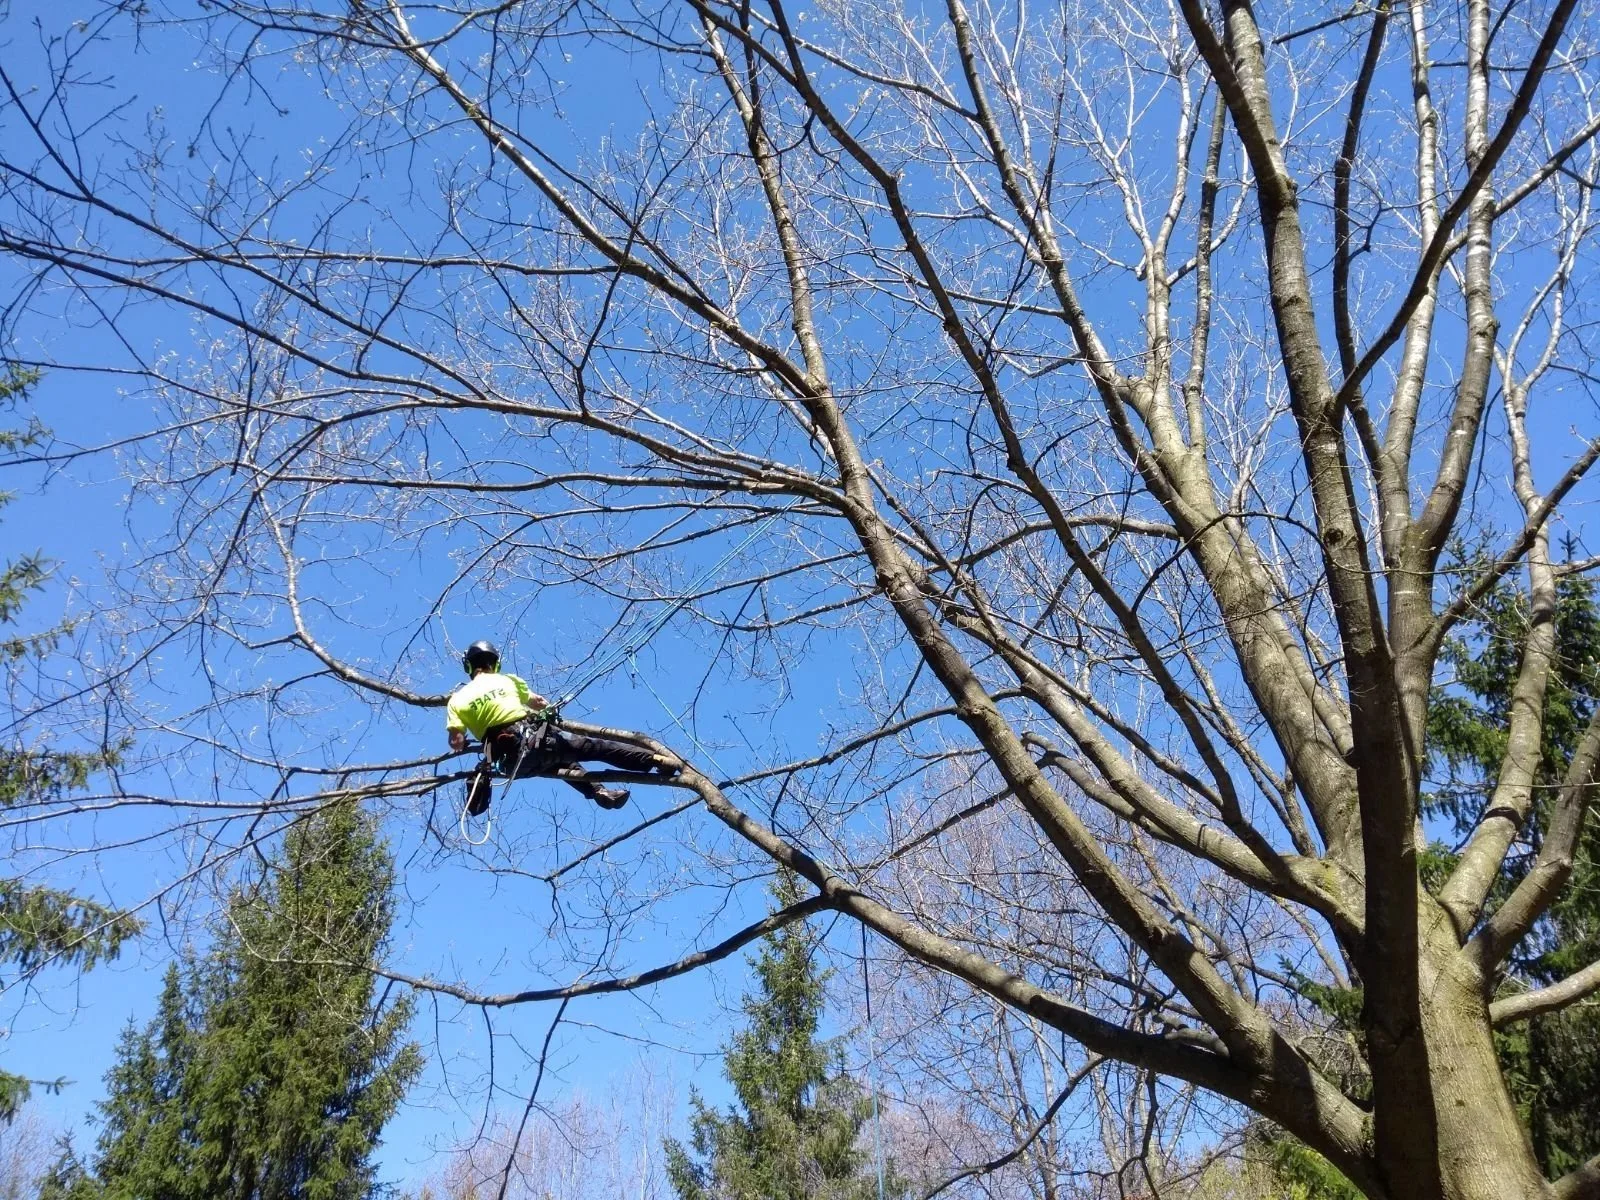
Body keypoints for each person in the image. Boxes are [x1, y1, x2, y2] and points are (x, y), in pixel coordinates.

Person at [447, 640, 681, 816]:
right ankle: (655, 761)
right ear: (494, 663)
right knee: (597, 747)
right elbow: (539, 702)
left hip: (511, 764)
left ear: (469, 666)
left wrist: (463, 742)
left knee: (564, 765)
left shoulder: (457, 700)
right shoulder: (507, 680)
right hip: (539, 741)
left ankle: (598, 792)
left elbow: (456, 742)